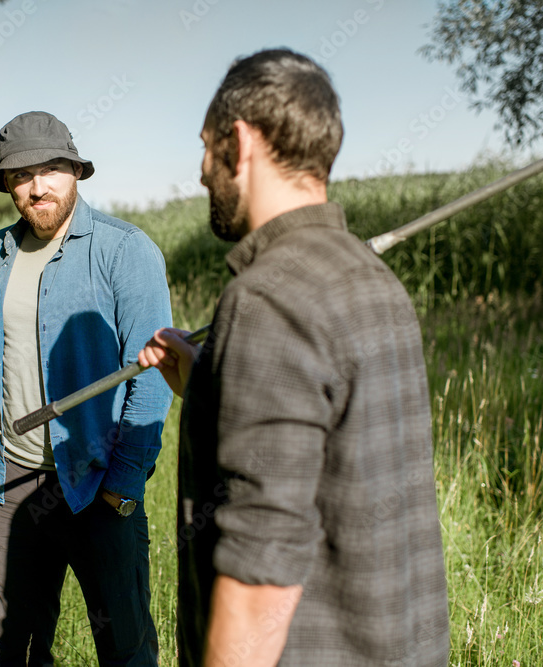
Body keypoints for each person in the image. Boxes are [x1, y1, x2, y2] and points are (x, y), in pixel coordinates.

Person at [138, 49, 449, 666]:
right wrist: (208, 385)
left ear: (241, 142)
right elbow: (327, 449)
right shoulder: (374, 280)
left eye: (207, 147)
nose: (202, 172)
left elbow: (261, 578)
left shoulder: (266, 299)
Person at [0, 111, 172, 666]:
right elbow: (2, 366)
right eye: (22, 176)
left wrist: (122, 487)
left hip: (98, 487)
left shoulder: (126, 250)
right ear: (7, 186)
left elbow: (152, 376)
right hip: (15, 486)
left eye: (51, 169)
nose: (37, 186)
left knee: (125, 648)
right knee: (15, 648)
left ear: (75, 171)